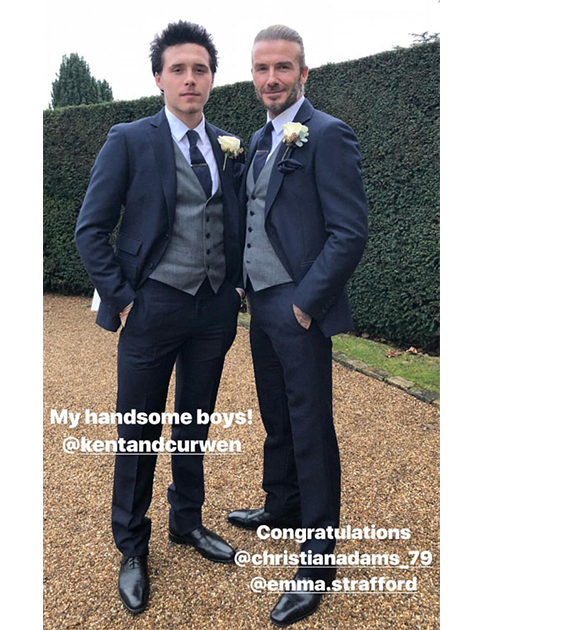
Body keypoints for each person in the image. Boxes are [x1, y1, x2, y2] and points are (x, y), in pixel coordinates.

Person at [75, 20, 245, 615]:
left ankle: (186, 520)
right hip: (151, 306)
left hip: (214, 308)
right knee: (139, 429)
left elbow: (236, 222)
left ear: (212, 78)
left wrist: (235, 287)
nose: (190, 79)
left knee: (195, 421)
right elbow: (90, 230)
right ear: (159, 78)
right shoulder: (128, 139)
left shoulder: (228, 144)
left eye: (200, 69)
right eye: (179, 69)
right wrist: (124, 298)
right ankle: (131, 546)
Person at [226, 24, 368, 626]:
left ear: (304, 73)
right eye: (262, 68)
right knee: (275, 414)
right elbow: (252, 215)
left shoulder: (328, 134)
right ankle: (281, 504)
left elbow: (349, 231)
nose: (272, 79)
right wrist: (241, 280)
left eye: (283, 67)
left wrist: (307, 302)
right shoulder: (259, 138)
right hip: (259, 302)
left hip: (298, 306)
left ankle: (317, 560)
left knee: (311, 427)